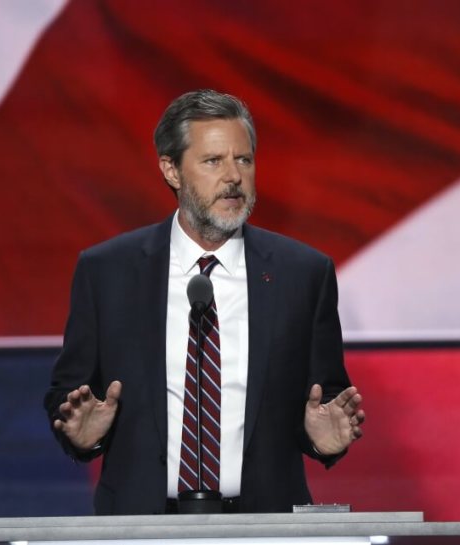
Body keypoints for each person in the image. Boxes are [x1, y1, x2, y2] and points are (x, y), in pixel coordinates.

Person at [44, 89, 364, 515]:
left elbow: (325, 399)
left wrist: (323, 441)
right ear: (171, 170)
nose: (233, 176)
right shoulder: (107, 272)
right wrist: (84, 438)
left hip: (264, 528)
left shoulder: (303, 274)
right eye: (213, 161)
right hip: (143, 527)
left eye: (244, 160)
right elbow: (68, 394)